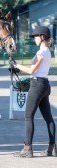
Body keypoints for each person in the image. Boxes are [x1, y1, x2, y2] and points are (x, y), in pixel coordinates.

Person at [11, 26, 56, 158]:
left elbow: (31, 71)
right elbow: (36, 70)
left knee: (28, 116)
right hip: (45, 85)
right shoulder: (48, 51)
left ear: (42, 37)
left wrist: (16, 65)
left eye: (36, 36)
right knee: (48, 118)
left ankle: (27, 148)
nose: (35, 39)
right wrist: (17, 69)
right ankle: (52, 148)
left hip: (37, 86)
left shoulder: (41, 53)